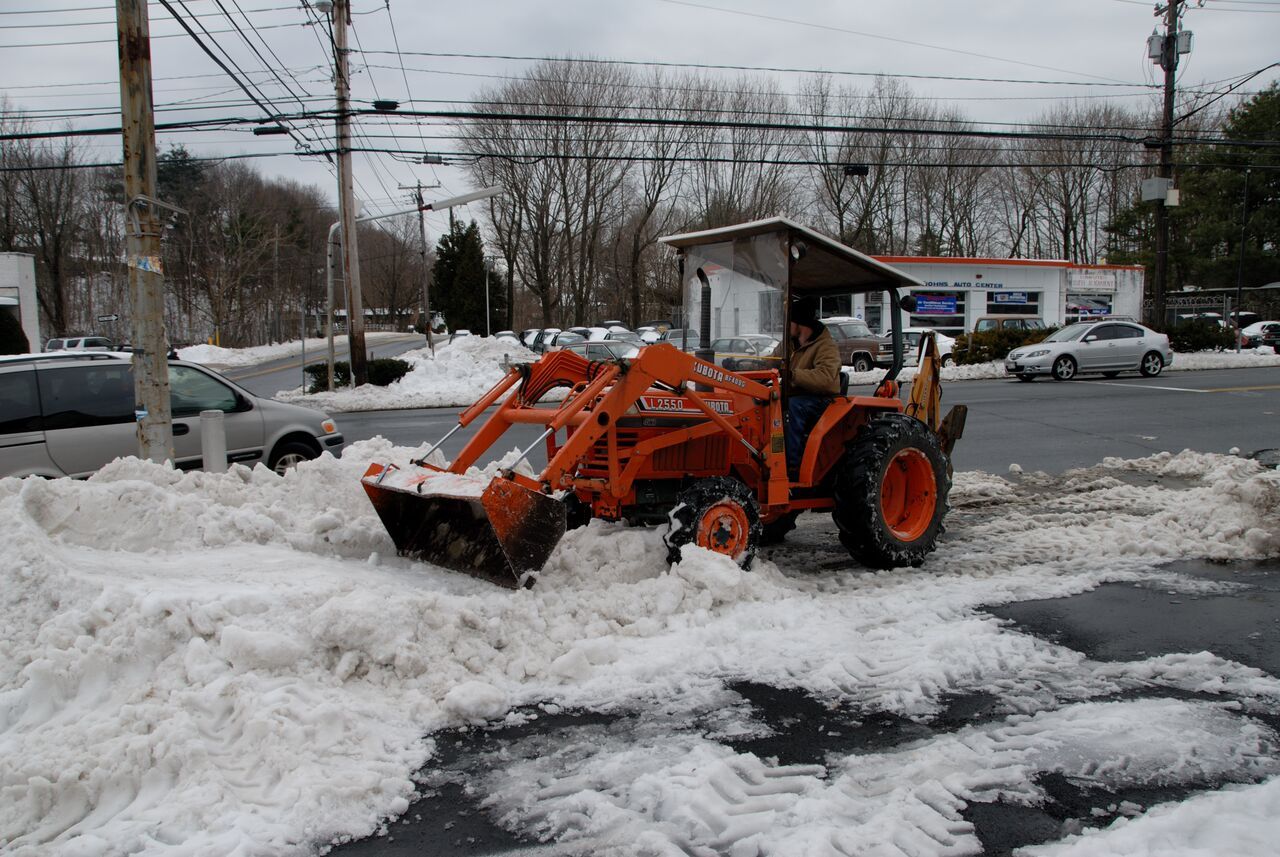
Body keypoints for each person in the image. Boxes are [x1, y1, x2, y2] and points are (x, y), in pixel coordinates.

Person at [776, 296, 841, 478]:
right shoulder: (789, 344)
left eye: (789, 321)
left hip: (821, 400)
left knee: (794, 407)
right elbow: (770, 362)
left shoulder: (826, 346)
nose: (786, 326)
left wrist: (792, 375)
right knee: (764, 403)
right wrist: (742, 365)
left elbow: (826, 377)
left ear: (799, 323)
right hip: (796, 394)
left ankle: (792, 468)